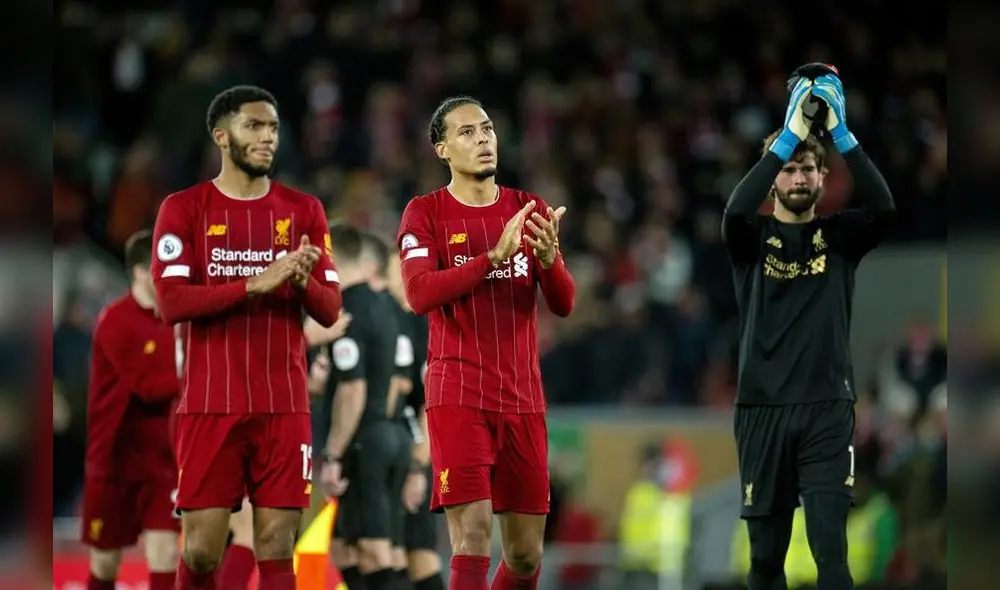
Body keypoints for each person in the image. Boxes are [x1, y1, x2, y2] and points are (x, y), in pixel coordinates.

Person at [150, 85, 342, 590]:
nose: (266, 137)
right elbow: (172, 303)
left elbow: (330, 309)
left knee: (278, 543)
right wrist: (255, 283)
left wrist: (301, 282)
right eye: (253, 126)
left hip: (285, 404)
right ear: (221, 134)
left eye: (273, 128)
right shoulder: (183, 209)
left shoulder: (304, 211)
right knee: (201, 548)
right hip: (212, 403)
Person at [722, 71, 895, 590]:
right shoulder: (749, 240)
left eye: (808, 169)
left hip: (826, 408)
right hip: (761, 410)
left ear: (823, 180)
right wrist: (790, 134)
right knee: (765, 562)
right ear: (773, 177)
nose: (798, 177)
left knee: (831, 554)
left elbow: (884, 210)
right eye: (790, 169)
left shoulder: (839, 238)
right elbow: (733, 210)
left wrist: (841, 136)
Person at [395, 96, 576, 590]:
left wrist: (550, 258)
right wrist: (491, 258)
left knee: (523, 555)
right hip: (458, 394)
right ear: (442, 149)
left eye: (488, 130)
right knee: (472, 537)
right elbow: (418, 293)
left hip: (522, 398)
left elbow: (562, 304)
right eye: (468, 133)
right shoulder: (425, 213)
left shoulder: (528, 208)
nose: (483, 140)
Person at [81, 229, 181, 590]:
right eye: (165, 268)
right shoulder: (115, 321)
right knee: (106, 562)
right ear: (141, 272)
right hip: (114, 460)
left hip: (163, 462)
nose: (174, 275)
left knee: (166, 554)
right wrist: (201, 378)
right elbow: (148, 386)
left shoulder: (178, 321)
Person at [318, 225, 402, 590]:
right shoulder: (386, 305)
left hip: (365, 438)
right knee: (345, 547)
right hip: (388, 431)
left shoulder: (346, 310)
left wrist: (333, 454)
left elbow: (353, 389)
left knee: (374, 550)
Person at [362, 231, 442, 590]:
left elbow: (428, 403)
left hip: (414, 451)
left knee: (406, 552)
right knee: (403, 553)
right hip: (403, 448)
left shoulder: (418, 322)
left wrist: (418, 467)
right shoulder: (388, 319)